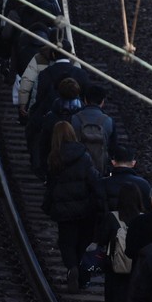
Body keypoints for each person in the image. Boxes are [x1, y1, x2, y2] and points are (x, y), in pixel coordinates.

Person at [42, 121, 99, 290]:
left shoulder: (54, 157)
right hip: (84, 207)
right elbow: (93, 179)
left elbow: (51, 184)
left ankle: (72, 267)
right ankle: (81, 271)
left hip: (64, 210)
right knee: (83, 241)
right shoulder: (84, 154)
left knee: (66, 242)